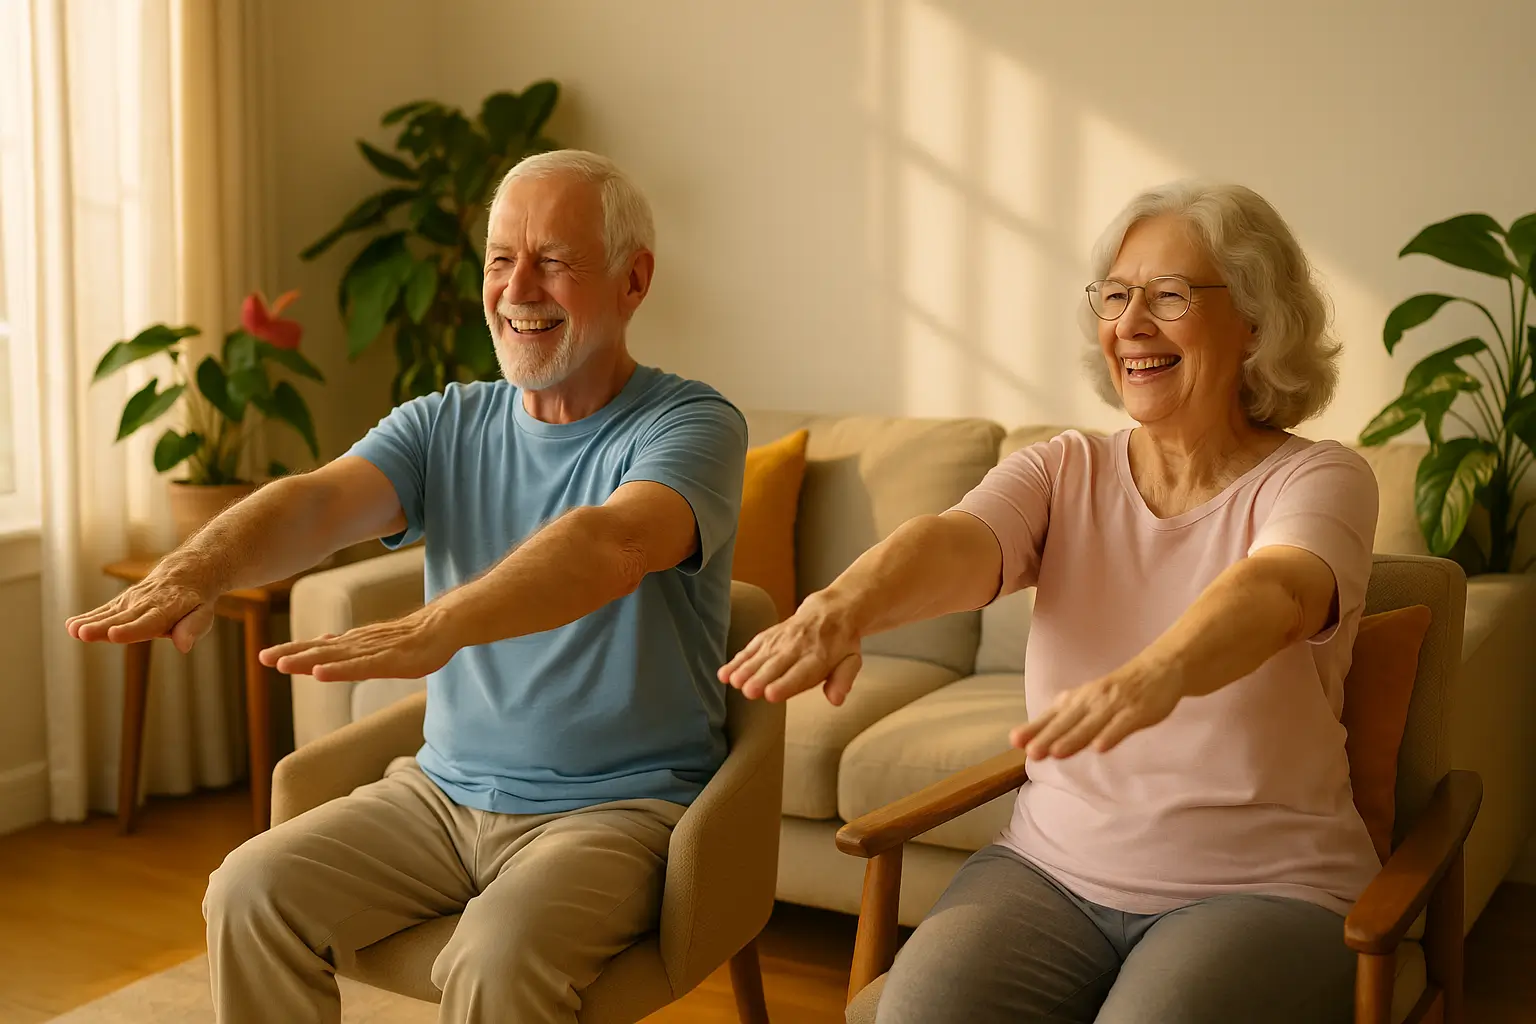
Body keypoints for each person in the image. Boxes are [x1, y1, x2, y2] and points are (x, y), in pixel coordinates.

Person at [66, 150, 748, 1023]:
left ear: (634, 279)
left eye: (553, 261)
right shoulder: (444, 422)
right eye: (500, 260)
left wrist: (441, 624)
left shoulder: (692, 424)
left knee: (497, 957)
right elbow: (317, 501)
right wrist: (199, 566)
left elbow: (610, 543)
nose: (517, 289)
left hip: (618, 808)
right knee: (247, 891)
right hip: (440, 795)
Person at [721, 182, 1377, 1023]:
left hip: (1263, 888)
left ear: (1255, 319)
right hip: (1049, 872)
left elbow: (1278, 589)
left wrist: (1157, 674)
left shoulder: (1319, 478)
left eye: (1169, 296)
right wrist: (843, 607)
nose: (1131, 323)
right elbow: (955, 542)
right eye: (1117, 295)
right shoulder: (1065, 469)